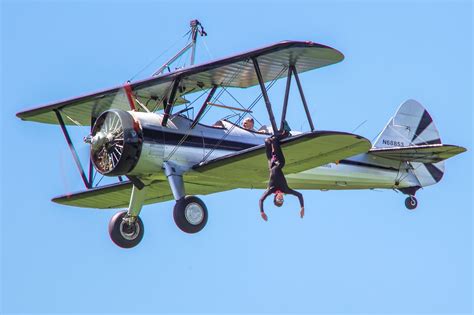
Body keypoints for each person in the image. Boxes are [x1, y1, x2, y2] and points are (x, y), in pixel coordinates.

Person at [259, 135, 304, 221]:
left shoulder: (271, 190)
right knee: (275, 139)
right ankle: (285, 133)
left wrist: (262, 212)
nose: (280, 199)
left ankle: (276, 138)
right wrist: (302, 207)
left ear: (275, 198)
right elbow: (299, 195)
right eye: (282, 200)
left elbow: (261, 199)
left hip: (271, 163)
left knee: (266, 141)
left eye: (278, 200)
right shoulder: (286, 190)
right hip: (279, 162)